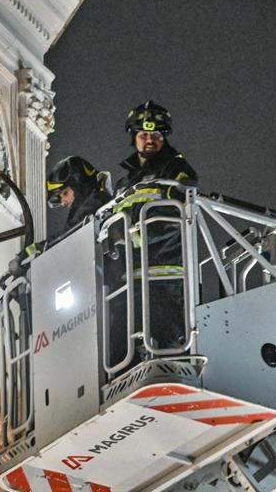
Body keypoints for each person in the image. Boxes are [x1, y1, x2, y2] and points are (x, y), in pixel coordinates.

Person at [108, 100, 198, 363]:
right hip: (131, 276)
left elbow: (177, 212)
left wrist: (134, 235)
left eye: (156, 135)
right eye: (143, 134)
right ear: (133, 137)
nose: (149, 140)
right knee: (125, 343)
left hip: (167, 275)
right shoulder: (126, 182)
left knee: (168, 345)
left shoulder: (176, 169)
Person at [1, 156, 110, 287]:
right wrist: (25, 256)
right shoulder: (85, 210)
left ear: (80, 185)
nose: (63, 202)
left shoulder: (95, 202)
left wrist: (25, 258)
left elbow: (64, 240)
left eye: (64, 193)